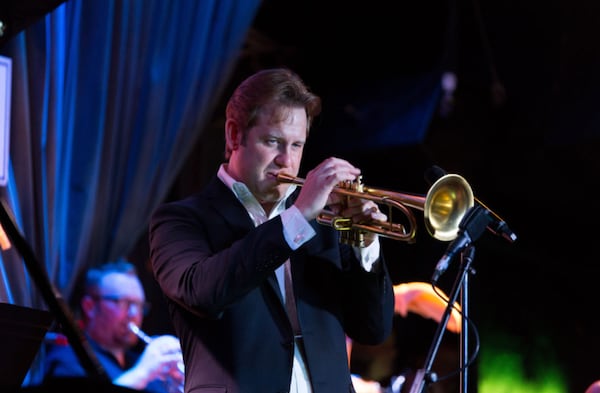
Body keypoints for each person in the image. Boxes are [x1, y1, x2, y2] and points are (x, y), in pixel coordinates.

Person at [148, 67, 396, 393]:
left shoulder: (325, 223)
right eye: (273, 142)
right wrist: (298, 216)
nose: (286, 161)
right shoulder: (180, 220)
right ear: (234, 135)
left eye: (297, 145)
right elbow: (204, 293)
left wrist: (365, 244)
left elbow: (372, 329)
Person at [42, 260, 185, 393]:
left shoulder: (139, 363)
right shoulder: (67, 360)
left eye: (139, 305)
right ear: (89, 306)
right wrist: (142, 373)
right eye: (124, 302)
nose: (134, 314)